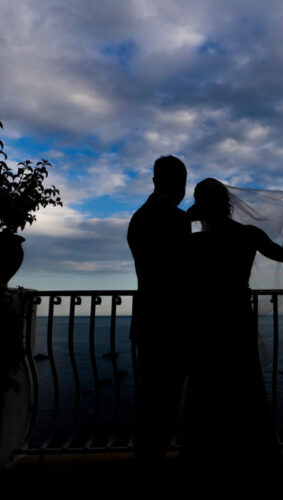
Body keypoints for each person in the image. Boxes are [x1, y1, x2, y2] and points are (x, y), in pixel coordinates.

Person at [180, 178, 283, 469]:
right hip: (237, 318)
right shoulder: (247, 234)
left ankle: (203, 456)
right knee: (244, 387)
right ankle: (252, 456)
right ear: (227, 203)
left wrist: (187, 218)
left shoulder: (193, 241)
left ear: (200, 206)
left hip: (204, 323)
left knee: (205, 391)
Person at [127, 155, 191, 471]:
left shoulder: (138, 218)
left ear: (155, 181)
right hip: (173, 325)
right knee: (166, 404)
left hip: (147, 321)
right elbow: (186, 273)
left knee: (148, 402)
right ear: (180, 184)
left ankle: (145, 463)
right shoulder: (178, 221)